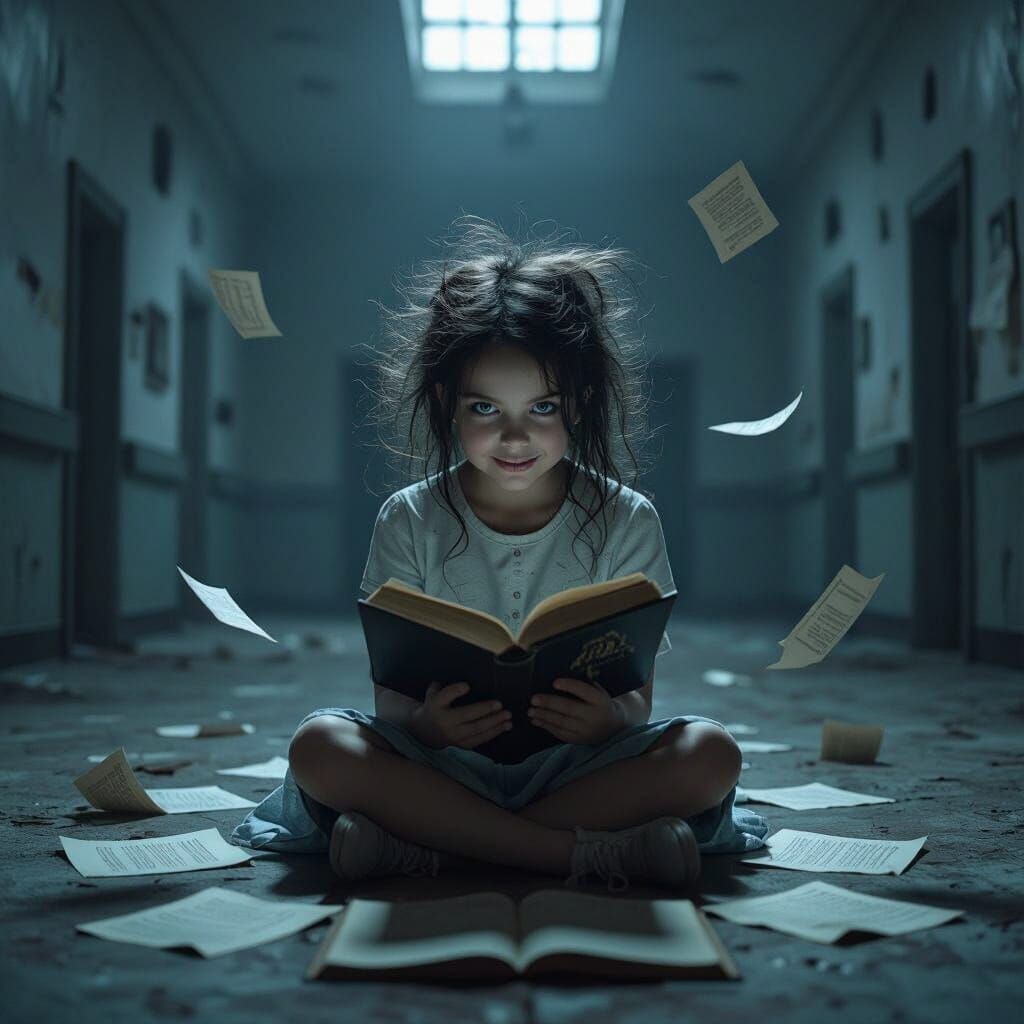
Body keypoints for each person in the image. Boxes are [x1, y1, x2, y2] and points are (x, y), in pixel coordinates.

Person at [231, 216, 768, 891]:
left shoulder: (628, 518)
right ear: (447, 405)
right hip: (441, 764)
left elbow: (637, 700)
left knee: (711, 754)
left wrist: (607, 720)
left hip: (579, 767)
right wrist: (428, 726)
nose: (515, 438)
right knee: (319, 746)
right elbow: (391, 699)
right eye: (486, 408)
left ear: (580, 405)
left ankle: (432, 845)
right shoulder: (408, 517)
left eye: (542, 408)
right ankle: (578, 854)